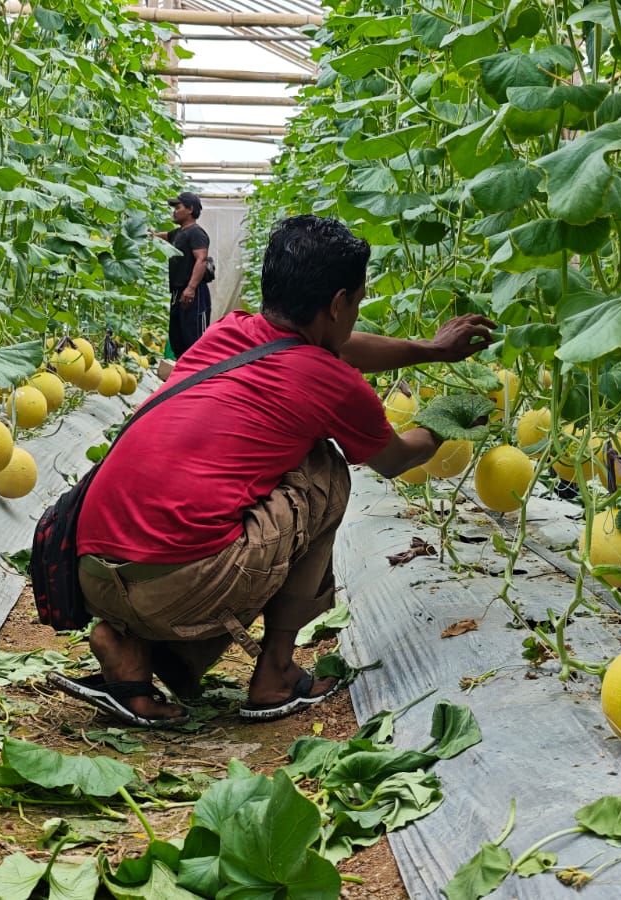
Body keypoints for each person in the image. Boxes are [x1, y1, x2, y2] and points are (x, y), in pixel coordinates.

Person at [59, 214, 496, 726]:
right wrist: (451, 418)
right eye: (355, 303)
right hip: (175, 586)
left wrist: (431, 351)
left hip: (93, 573)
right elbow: (396, 458)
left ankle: (132, 650)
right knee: (327, 471)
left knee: (225, 505)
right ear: (338, 304)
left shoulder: (230, 330)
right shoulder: (329, 381)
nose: (355, 316)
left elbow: (343, 347)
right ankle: (276, 674)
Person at [152, 191, 211, 359]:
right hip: (178, 292)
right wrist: (152, 235)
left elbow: (201, 259)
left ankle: (198, 378)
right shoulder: (179, 233)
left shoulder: (197, 233)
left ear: (190, 209)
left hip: (193, 293)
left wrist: (191, 288)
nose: (174, 211)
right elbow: (167, 236)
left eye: (178, 207)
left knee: (194, 339)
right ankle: (183, 376)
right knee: (177, 337)